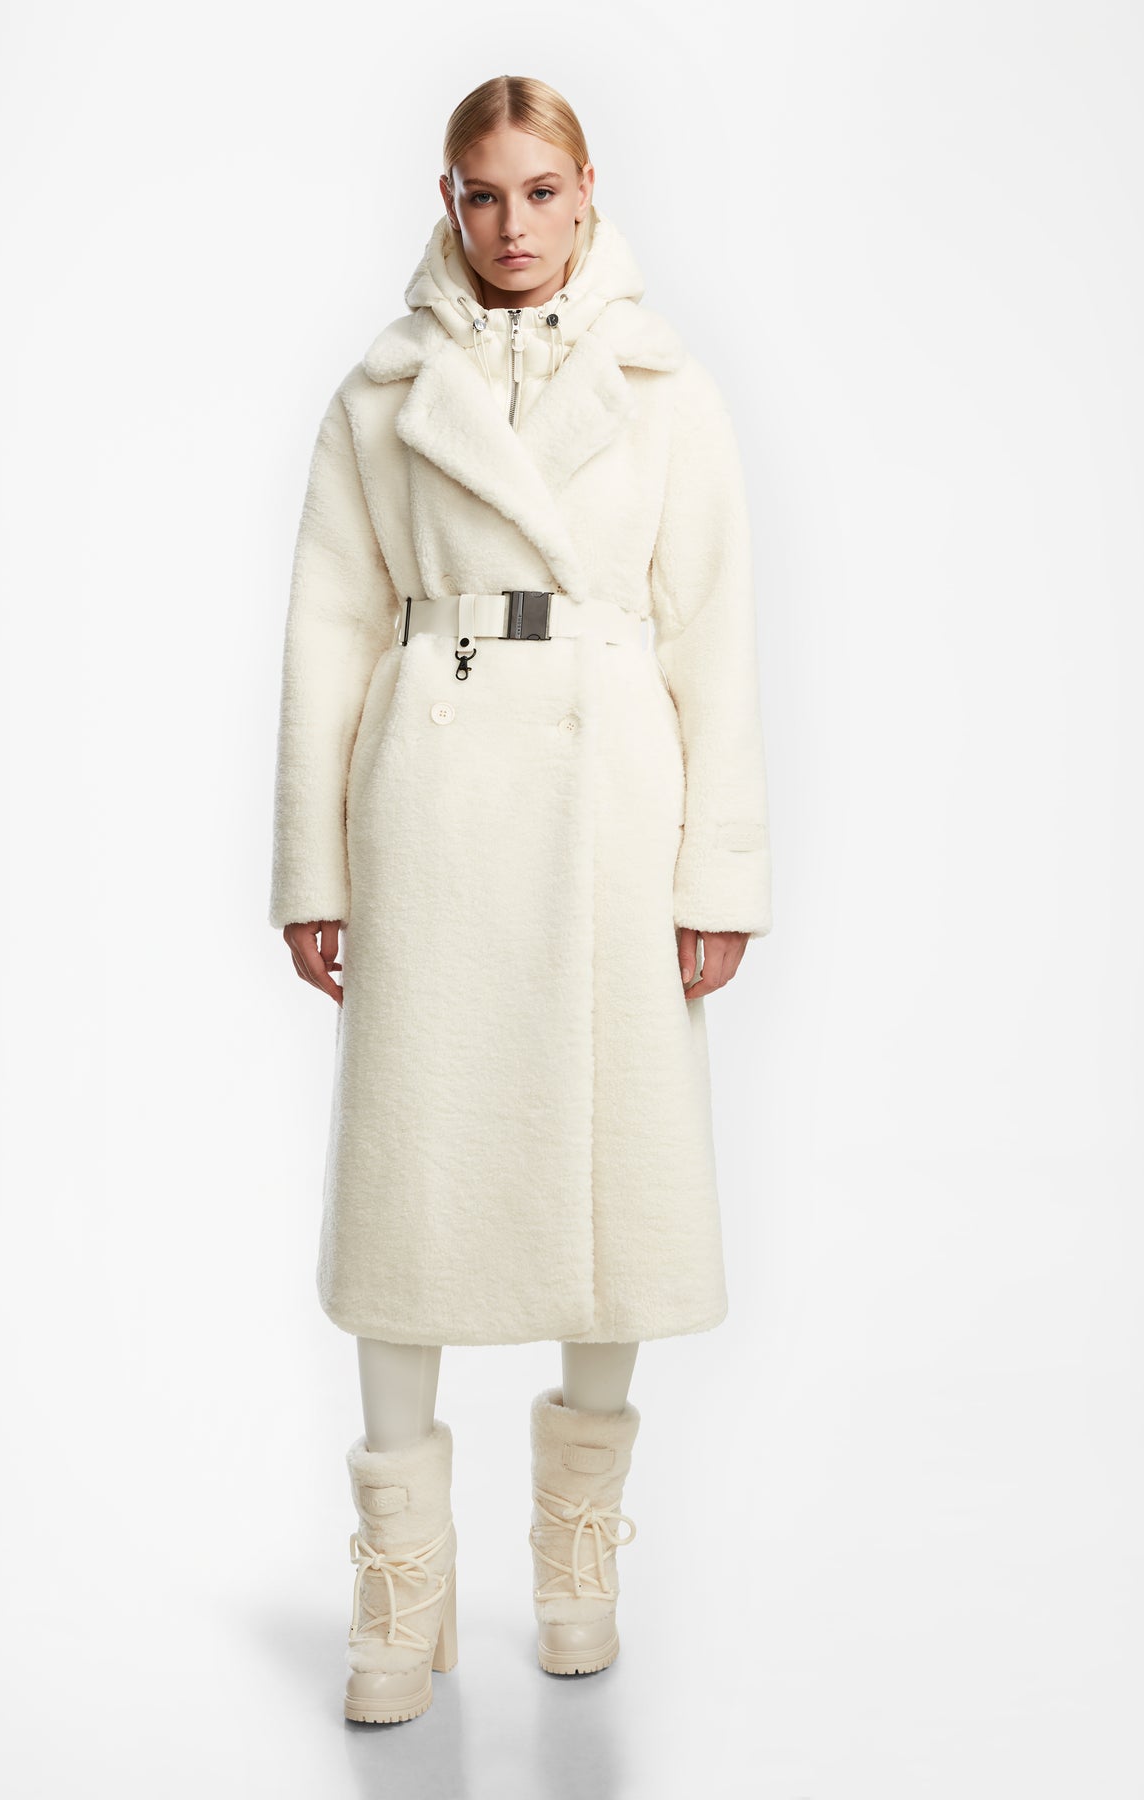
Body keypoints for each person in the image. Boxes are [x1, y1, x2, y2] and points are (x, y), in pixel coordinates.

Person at [268, 74, 774, 1724]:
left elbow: (713, 634)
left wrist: (718, 868)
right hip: (432, 793)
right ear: (449, 197)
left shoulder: (663, 384)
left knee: (604, 1171)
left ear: (586, 187)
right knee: (410, 1174)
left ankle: (576, 1561)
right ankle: (402, 1590)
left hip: (608, 799)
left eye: (541, 192)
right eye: (484, 195)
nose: (514, 226)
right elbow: (329, 632)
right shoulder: (382, 390)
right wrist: (314, 866)